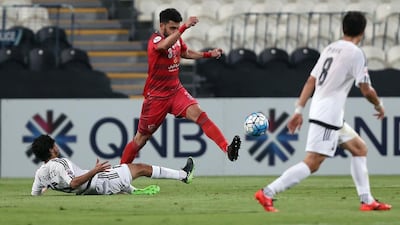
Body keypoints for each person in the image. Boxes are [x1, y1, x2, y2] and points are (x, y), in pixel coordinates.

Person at [254, 11, 392, 212]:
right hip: (329, 116)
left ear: (343, 28)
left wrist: (299, 109)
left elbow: (311, 80)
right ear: (362, 31)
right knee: (313, 162)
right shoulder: (355, 53)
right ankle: (267, 192)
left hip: (325, 112)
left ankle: (367, 200)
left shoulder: (330, 48)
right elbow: (365, 89)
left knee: (359, 148)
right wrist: (379, 105)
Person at [120, 8, 241, 164]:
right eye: (172, 28)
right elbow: (163, 46)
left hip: (175, 90)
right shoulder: (155, 41)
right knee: (141, 139)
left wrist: (207, 54)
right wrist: (184, 28)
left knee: (201, 115)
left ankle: (227, 148)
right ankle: (119, 175)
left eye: (177, 28)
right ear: (161, 25)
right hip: (156, 97)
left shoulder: (176, 38)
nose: (176, 31)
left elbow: (186, 52)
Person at [31, 134, 194, 196]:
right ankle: (184, 176)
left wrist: (48, 186)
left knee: (122, 180)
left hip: (90, 188)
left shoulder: (40, 173)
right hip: (98, 181)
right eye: (54, 144)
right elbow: (73, 183)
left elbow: (35, 195)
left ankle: (132, 191)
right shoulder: (61, 163)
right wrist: (94, 171)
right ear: (51, 149)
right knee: (141, 168)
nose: (57, 147)